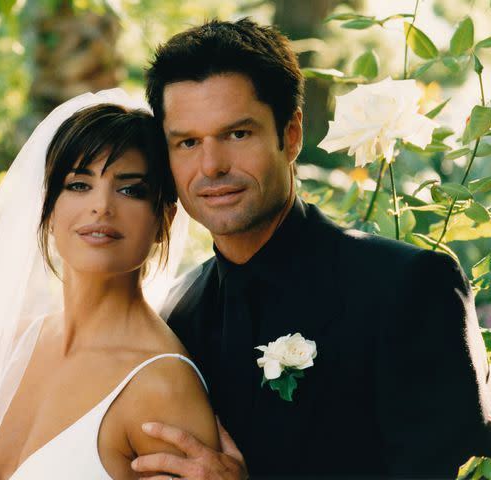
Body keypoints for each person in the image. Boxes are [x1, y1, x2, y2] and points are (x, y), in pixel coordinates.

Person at [130, 18, 491, 479]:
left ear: (292, 134)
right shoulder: (177, 313)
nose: (211, 165)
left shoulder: (408, 288)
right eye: (187, 142)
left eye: (238, 134)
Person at [0, 90, 219, 480]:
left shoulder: (162, 387)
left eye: (130, 189)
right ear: (48, 209)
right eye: (78, 185)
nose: (102, 206)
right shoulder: (12, 345)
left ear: (164, 220)